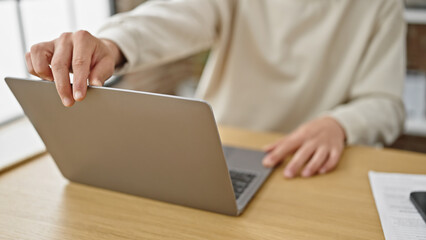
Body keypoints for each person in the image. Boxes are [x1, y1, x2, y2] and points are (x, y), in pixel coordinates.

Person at [25, 0, 406, 179]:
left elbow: (386, 103)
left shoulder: (380, 6)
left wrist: (338, 124)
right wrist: (112, 45)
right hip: (219, 155)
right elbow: (177, 14)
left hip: (309, 169)